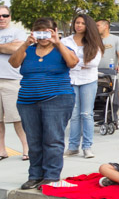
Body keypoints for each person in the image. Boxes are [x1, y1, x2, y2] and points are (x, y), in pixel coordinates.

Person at [9, 18, 78, 188]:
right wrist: (25, 44)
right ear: (33, 33)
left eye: (47, 31)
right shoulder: (28, 50)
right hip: (27, 101)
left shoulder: (63, 49)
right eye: (39, 32)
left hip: (57, 99)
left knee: (53, 139)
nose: (43, 36)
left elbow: (72, 62)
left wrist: (58, 42)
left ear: (54, 32)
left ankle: (51, 176)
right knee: (33, 140)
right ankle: (35, 175)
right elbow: (14, 62)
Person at [62, 13, 103, 158]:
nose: (78, 25)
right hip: (71, 80)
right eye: (77, 22)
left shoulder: (94, 42)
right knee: (73, 115)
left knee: (86, 114)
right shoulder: (65, 41)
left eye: (82, 23)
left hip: (88, 81)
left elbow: (93, 63)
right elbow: (62, 60)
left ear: (88, 26)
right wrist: (79, 63)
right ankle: (73, 147)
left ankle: (87, 147)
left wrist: (73, 62)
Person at [0, 5, 28, 161]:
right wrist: (7, 47)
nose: (1, 18)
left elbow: (18, 48)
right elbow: (11, 48)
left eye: (4, 15)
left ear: (10, 16)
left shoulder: (18, 32)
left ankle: (26, 148)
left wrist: (12, 47)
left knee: (17, 117)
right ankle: (1, 150)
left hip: (12, 80)